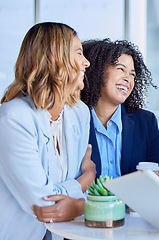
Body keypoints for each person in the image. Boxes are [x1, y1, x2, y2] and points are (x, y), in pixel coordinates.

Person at [0, 22, 95, 240]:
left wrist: (74, 200)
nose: (86, 62)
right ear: (55, 58)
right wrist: (86, 180)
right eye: (79, 53)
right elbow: (44, 203)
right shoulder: (14, 117)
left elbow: (61, 197)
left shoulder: (79, 112)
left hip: (61, 234)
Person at [80, 39, 159, 179]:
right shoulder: (75, 118)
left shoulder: (146, 122)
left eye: (132, 74)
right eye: (121, 69)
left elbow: (156, 174)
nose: (128, 79)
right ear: (98, 71)